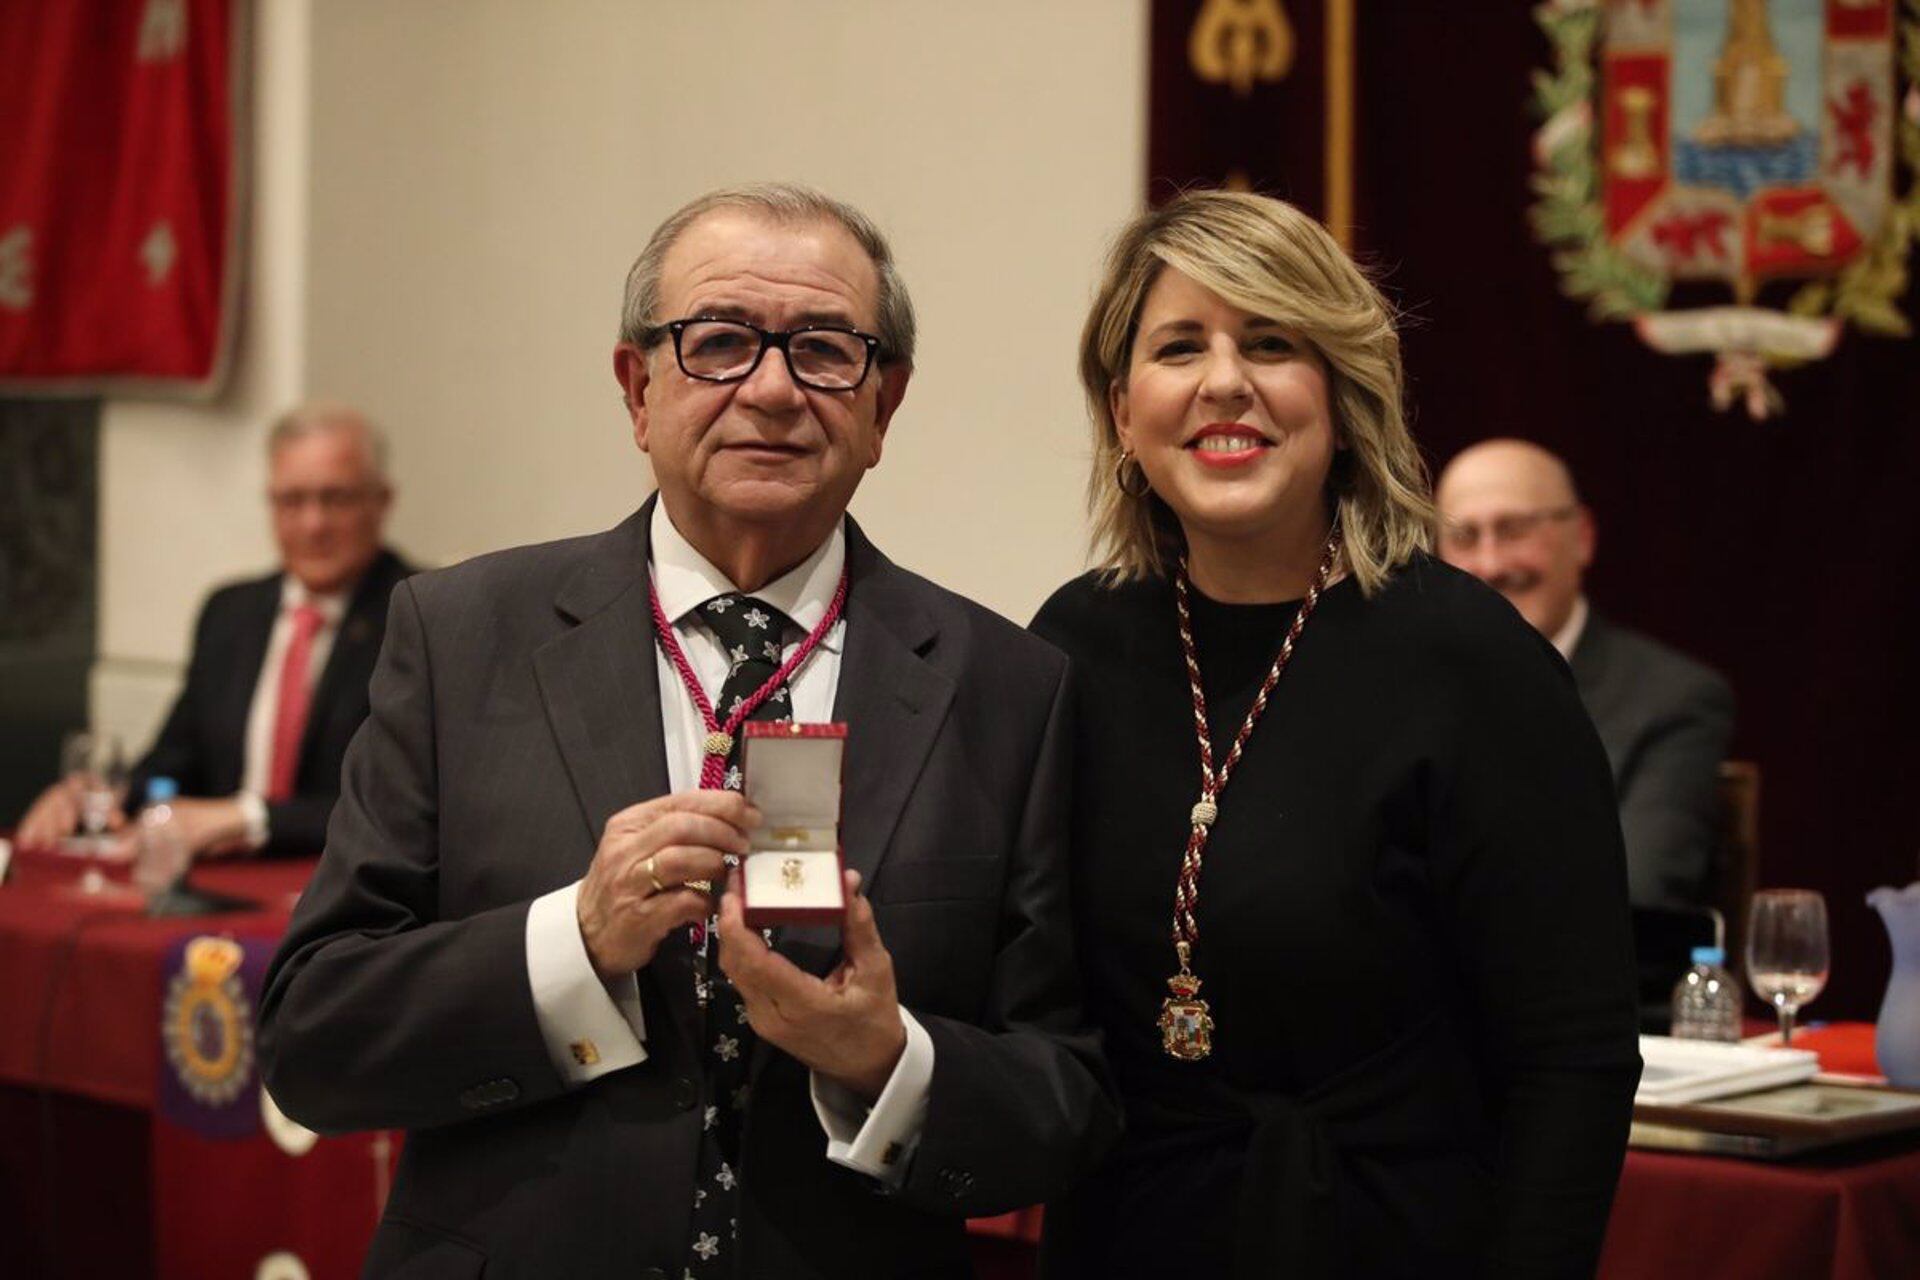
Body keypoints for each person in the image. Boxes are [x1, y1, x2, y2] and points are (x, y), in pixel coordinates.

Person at [258, 184, 1115, 1279]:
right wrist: (575, 939)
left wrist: (889, 1061)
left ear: (883, 405)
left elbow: (1069, 1096)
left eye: (822, 349)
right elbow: (313, 1039)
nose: (771, 389)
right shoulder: (460, 636)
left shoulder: (1010, 686)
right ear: (637, 387)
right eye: (717, 342)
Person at [1031, 191, 1641, 1278]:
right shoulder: (1073, 644)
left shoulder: (1477, 665)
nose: (1227, 380)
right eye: (1182, 346)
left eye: (1271, 341)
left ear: (1342, 393)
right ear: (1125, 411)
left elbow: (1574, 1061)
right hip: (1127, 1236)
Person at [14, 404, 410, 859]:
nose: (313, 524)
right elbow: (173, 763)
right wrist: (93, 797)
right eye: (292, 500)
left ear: (382, 502)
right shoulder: (232, 612)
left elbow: (398, 803)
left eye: (335, 499)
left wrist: (246, 817)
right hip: (220, 884)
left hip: (343, 889)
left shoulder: (412, 616)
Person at [1434, 438, 1735, 911]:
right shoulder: (1407, 687)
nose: (1489, 565)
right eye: (1464, 537)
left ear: (1582, 538)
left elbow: (1635, 892)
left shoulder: (1673, 700)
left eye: (1514, 530)